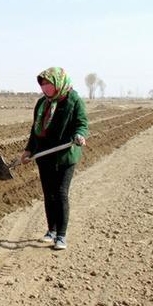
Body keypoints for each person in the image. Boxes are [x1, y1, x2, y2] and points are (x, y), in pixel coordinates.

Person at [21, 67, 89, 250]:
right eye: (43, 85)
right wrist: (29, 150)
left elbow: (82, 123)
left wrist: (80, 135)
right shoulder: (42, 104)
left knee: (60, 193)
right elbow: (35, 130)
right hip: (44, 156)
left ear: (58, 83)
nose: (45, 88)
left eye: (48, 84)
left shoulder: (73, 100)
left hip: (65, 155)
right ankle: (51, 230)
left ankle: (61, 236)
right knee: (48, 194)